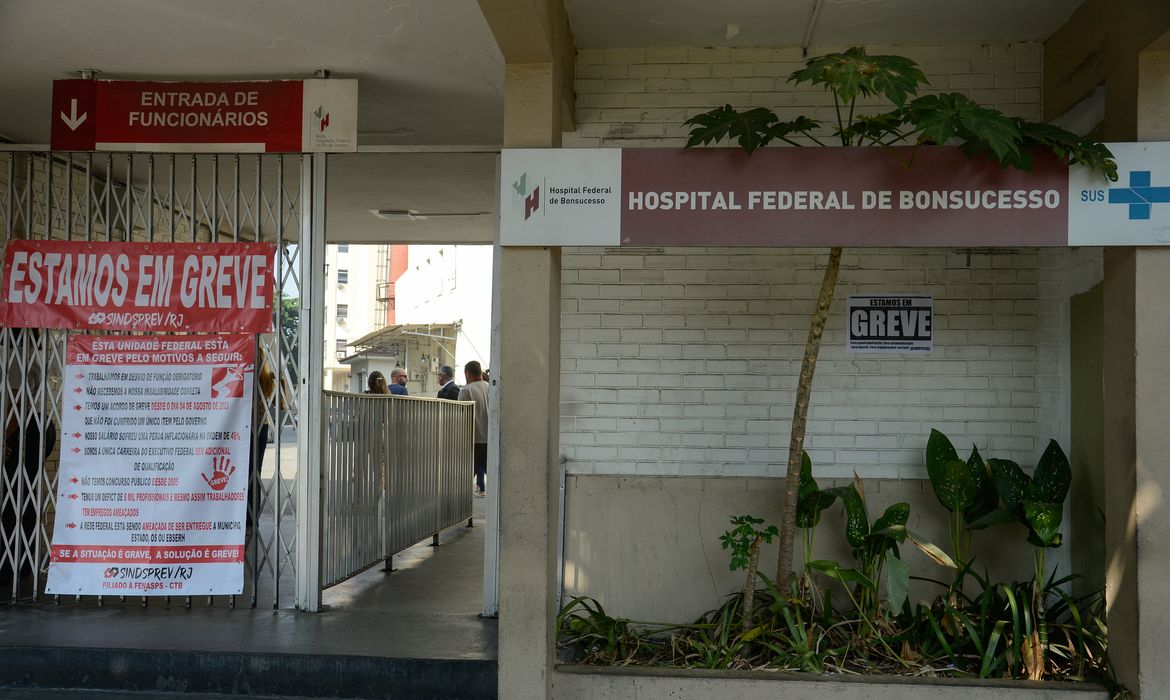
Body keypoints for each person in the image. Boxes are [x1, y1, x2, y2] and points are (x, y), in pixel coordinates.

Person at [458, 360, 489, 496]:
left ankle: (460, 511)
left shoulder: (466, 390)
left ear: (467, 374)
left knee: (462, 482)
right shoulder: (491, 388)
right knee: (496, 480)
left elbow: (460, 418)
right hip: (490, 442)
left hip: (473, 441)